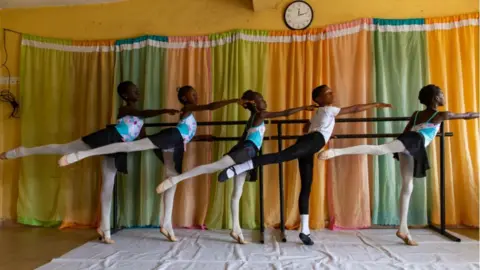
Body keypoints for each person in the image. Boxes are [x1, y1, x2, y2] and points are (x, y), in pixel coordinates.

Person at [58, 85, 248, 242]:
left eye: (196, 93)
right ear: (183, 98)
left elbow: (187, 134)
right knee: (130, 147)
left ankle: (166, 224)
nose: (195, 96)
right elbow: (210, 107)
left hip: (176, 145)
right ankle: (82, 154)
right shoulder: (188, 109)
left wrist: (202, 137)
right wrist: (233, 101)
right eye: (192, 94)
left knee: (172, 179)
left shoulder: (190, 116)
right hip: (171, 138)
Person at [0, 81, 179, 244]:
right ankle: (20, 151)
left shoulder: (140, 122)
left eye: (137, 89)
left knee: (108, 185)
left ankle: (105, 229)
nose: (137, 91)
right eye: (134, 90)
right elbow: (141, 113)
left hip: (116, 150)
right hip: (106, 138)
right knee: (62, 149)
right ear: (125, 96)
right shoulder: (125, 110)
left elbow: (146, 142)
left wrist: (162, 159)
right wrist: (164, 111)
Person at [217, 84, 392, 245]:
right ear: (319, 99)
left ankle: (305, 230)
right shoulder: (330, 109)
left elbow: (309, 128)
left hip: (311, 142)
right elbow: (355, 109)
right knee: (280, 157)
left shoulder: (320, 113)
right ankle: (238, 168)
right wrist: (375, 104)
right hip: (312, 142)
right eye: (328, 93)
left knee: (306, 185)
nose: (332, 94)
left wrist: (326, 134)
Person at [317, 84, 479, 246]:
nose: (444, 97)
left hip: (410, 144)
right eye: (441, 94)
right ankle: (335, 152)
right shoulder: (442, 114)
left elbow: (406, 130)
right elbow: (467, 115)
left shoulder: (417, 114)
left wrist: (399, 144)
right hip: (413, 142)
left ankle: (403, 229)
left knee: (408, 186)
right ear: (436, 98)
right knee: (380, 150)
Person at [156, 89, 317, 244]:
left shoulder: (253, 118)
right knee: (213, 167)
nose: (265, 101)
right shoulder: (260, 115)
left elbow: (244, 138)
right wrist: (303, 108)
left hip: (248, 152)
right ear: (253, 103)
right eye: (261, 99)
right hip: (246, 152)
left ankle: (236, 229)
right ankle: (176, 179)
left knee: (237, 192)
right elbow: (285, 113)